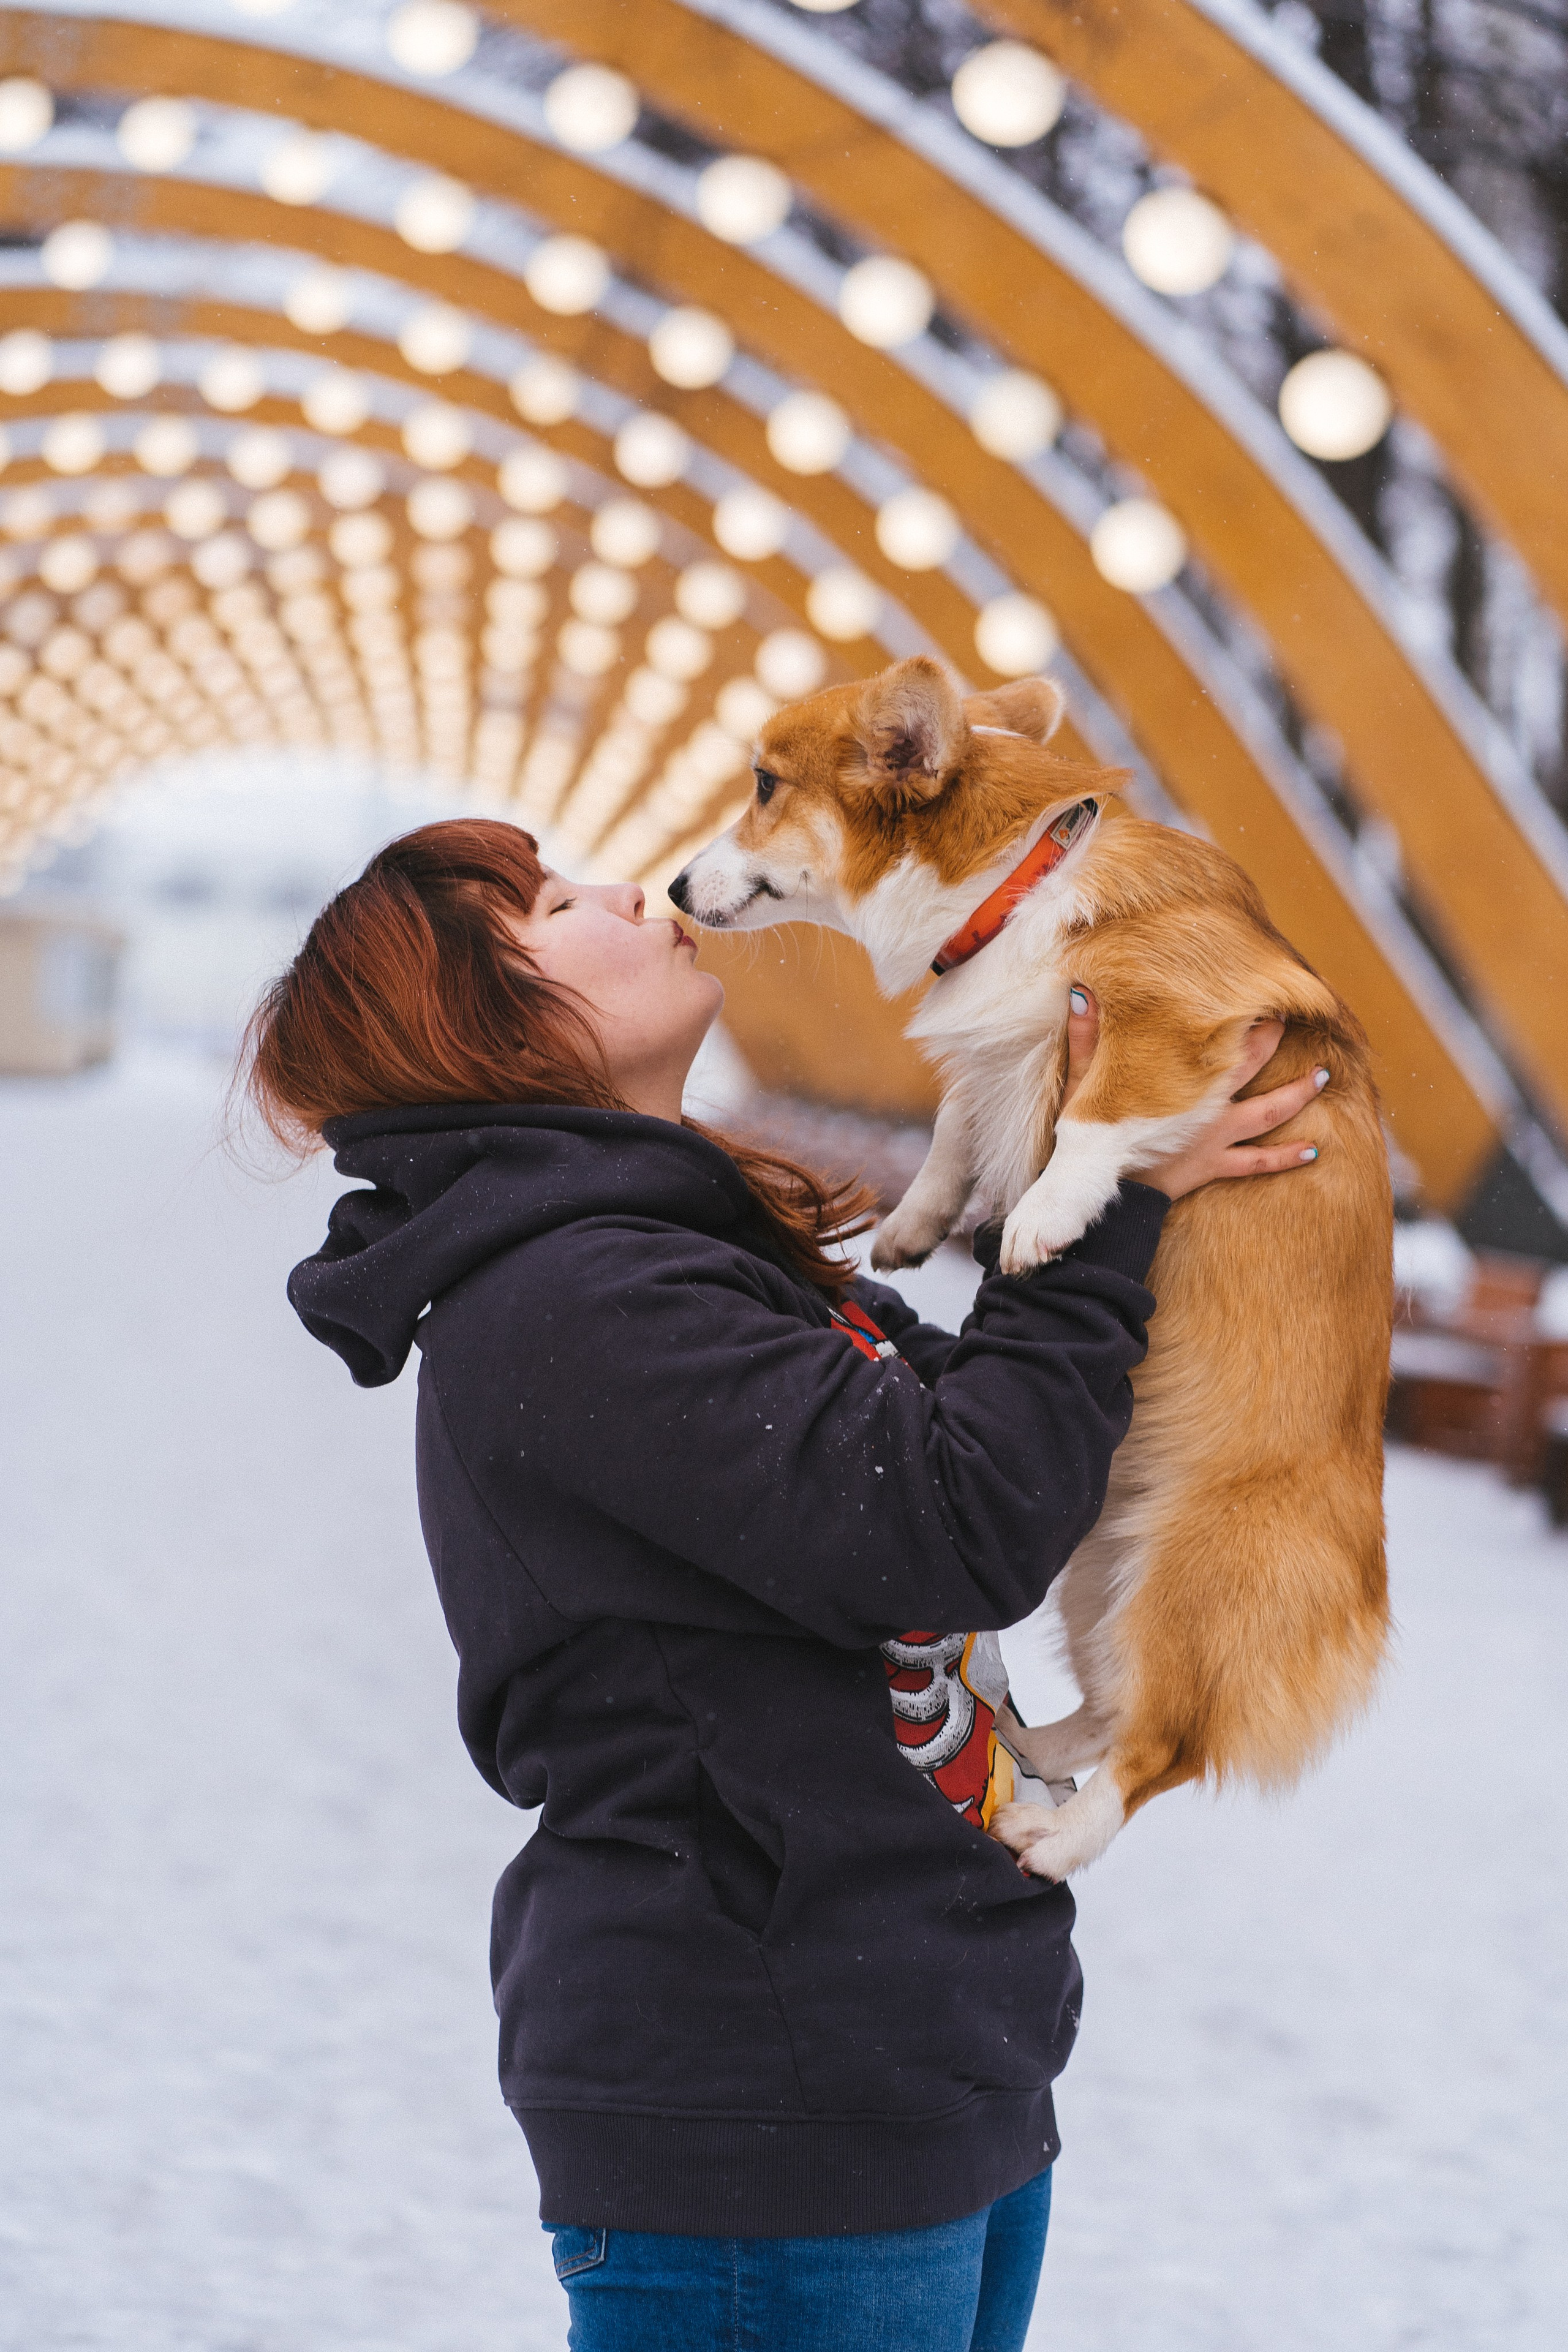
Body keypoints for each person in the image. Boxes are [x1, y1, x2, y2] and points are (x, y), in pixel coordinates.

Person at [245, 818, 1326, 2352]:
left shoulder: (690, 1251)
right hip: (765, 2108)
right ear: (481, 1025)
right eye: (552, 907)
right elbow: (953, 1518)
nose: (627, 888)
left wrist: (1139, 1166)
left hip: (912, 2057)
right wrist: (1103, 1209)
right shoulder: (578, 1298)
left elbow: (1013, 1438)